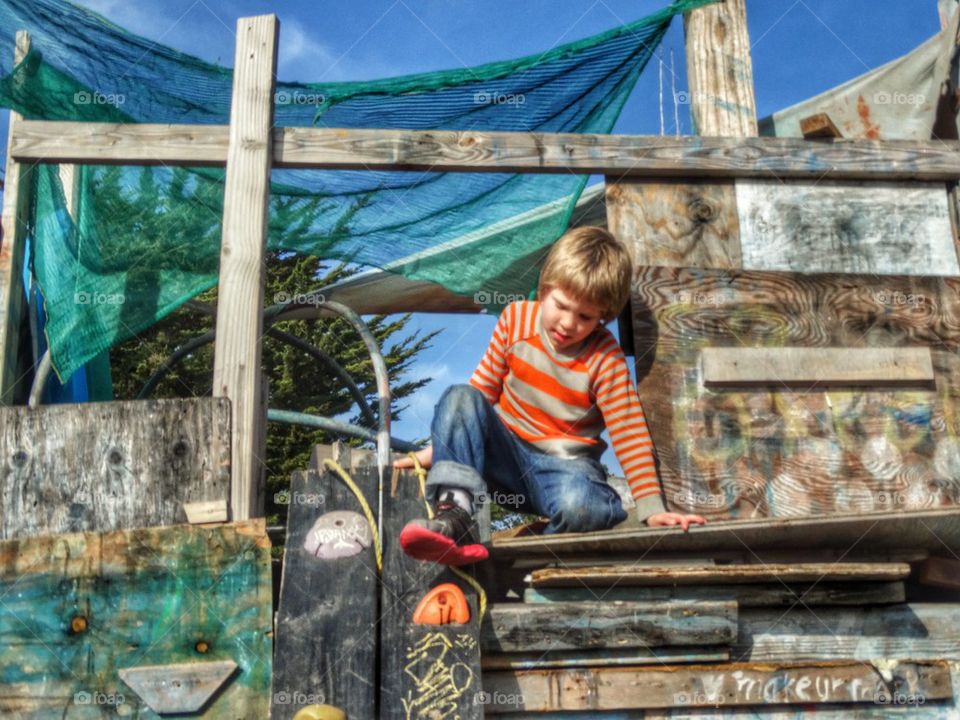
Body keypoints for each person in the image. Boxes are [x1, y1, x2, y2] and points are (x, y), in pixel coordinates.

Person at [395, 226, 706, 564]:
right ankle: (454, 520)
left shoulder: (605, 357)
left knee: (585, 506)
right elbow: (478, 397)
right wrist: (439, 450)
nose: (568, 323)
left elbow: (629, 433)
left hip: (565, 470)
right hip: (504, 460)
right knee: (460, 395)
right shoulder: (515, 321)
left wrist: (651, 509)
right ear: (544, 291)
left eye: (586, 317)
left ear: (604, 317)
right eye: (561, 305)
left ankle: (538, 551)